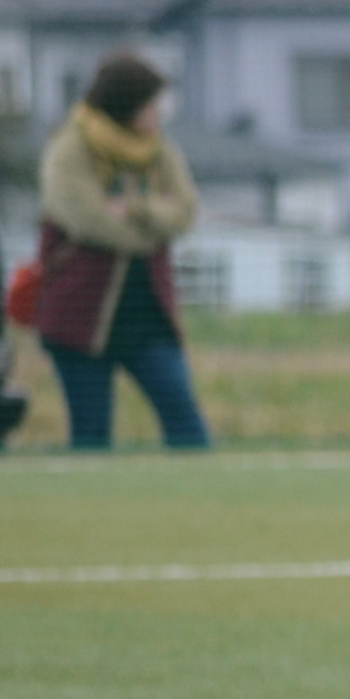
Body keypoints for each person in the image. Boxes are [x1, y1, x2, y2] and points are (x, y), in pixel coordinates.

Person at [34, 52, 208, 450]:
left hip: (148, 316)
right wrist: (152, 230)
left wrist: (136, 208)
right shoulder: (70, 149)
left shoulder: (160, 151)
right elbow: (89, 220)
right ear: (126, 105)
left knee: (188, 428)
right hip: (79, 317)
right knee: (91, 435)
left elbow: (184, 211)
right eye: (151, 105)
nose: (158, 114)